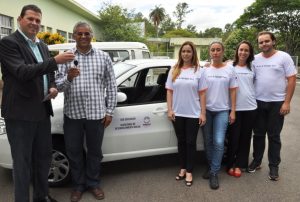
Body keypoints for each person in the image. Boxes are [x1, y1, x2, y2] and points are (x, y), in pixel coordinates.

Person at [0, 4, 75, 202]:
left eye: (38, 21)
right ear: (19, 19)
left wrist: (51, 86)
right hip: (19, 114)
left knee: (43, 159)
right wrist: (55, 61)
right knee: (22, 164)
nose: (34, 23)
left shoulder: (41, 45)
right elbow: (22, 72)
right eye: (30, 19)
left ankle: (41, 197)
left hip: (42, 110)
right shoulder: (8, 43)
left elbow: (48, 73)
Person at [55, 22, 117, 201]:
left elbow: (111, 86)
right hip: (73, 114)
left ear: (92, 35)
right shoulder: (66, 57)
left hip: (96, 114)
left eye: (87, 33)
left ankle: (94, 183)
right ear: (74, 36)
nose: (83, 37)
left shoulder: (103, 57)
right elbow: (58, 87)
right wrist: (68, 77)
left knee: (95, 152)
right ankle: (78, 185)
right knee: (73, 151)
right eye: (79, 34)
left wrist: (110, 111)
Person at [248, 31, 296, 181]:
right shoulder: (255, 59)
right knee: (258, 135)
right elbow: (243, 69)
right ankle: (256, 161)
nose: (264, 44)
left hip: (277, 103)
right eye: (261, 42)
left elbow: (292, 79)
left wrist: (287, 102)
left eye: (266, 41)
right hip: (258, 102)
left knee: (274, 136)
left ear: (273, 41)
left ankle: (274, 166)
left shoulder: (284, 57)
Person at [166, 41, 207, 187]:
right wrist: (170, 109)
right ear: (180, 53)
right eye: (183, 51)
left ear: (193, 53)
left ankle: (189, 170)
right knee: (181, 142)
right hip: (178, 113)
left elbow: (202, 94)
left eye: (189, 51)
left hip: (193, 113)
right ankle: (182, 168)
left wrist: (203, 113)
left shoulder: (199, 71)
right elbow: (169, 91)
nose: (186, 54)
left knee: (190, 143)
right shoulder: (174, 69)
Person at [202, 41, 237, 190]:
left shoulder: (229, 69)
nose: (215, 52)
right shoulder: (204, 70)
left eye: (218, 50)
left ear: (223, 52)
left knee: (218, 141)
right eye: (213, 50)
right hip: (206, 111)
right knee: (208, 140)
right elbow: (200, 91)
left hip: (222, 110)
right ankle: (211, 166)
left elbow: (233, 90)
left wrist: (233, 110)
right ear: (209, 52)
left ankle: (214, 172)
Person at [226, 41, 257, 178]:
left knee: (245, 137)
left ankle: (240, 164)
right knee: (233, 137)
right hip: (234, 108)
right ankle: (230, 164)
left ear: (250, 53)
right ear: (237, 51)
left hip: (250, 107)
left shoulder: (253, 67)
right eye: (241, 50)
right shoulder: (229, 66)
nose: (243, 52)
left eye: (246, 50)